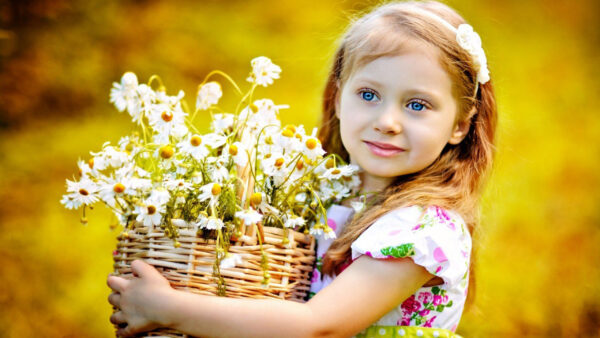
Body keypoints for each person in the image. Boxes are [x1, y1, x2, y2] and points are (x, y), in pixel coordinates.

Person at [107, 1, 497, 337]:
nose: (387, 121)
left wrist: (168, 308)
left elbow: (317, 326)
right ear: (339, 98)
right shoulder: (322, 202)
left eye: (417, 105)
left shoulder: (423, 228)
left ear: (460, 124)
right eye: (368, 95)